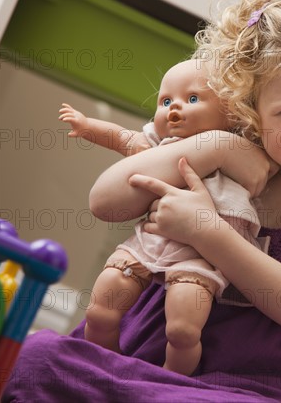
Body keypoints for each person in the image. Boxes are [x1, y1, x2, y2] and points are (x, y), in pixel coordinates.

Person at [2, 0, 281, 401]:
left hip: (265, 387)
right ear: (248, 103)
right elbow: (105, 201)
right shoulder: (221, 152)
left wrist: (207, 231)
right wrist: (215, 146)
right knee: (33, 358)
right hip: (145, 360)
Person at [58, 60, 265, 376]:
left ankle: (168, 378)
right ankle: (105, 364)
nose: (174, 108)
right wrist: (89, 126)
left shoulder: (240, 150)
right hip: (149, 242)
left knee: (182, 329)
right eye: (165, 101)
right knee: (101, 306)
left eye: (192, 99)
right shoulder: (162, 147)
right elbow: (124, 138)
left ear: (232, 111)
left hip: (200, 257)